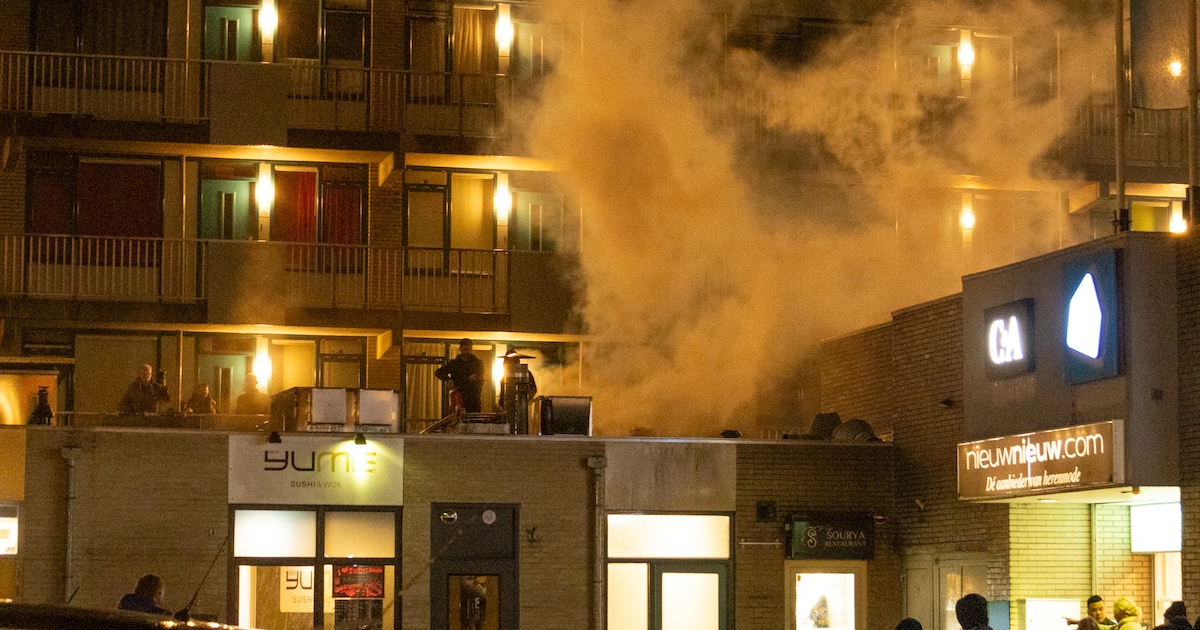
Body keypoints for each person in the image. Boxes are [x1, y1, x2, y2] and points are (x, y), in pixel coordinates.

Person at [435, 339, 484, 413]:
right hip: (459, 396)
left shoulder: (477, 363)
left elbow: (479, 378)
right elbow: (438, 372)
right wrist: (448, 379)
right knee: (458, 417)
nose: (468, 351)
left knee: (472, 418)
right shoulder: (454, 363)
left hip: (473, 397)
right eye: (465, 349)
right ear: (461, 349)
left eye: (469, 349)